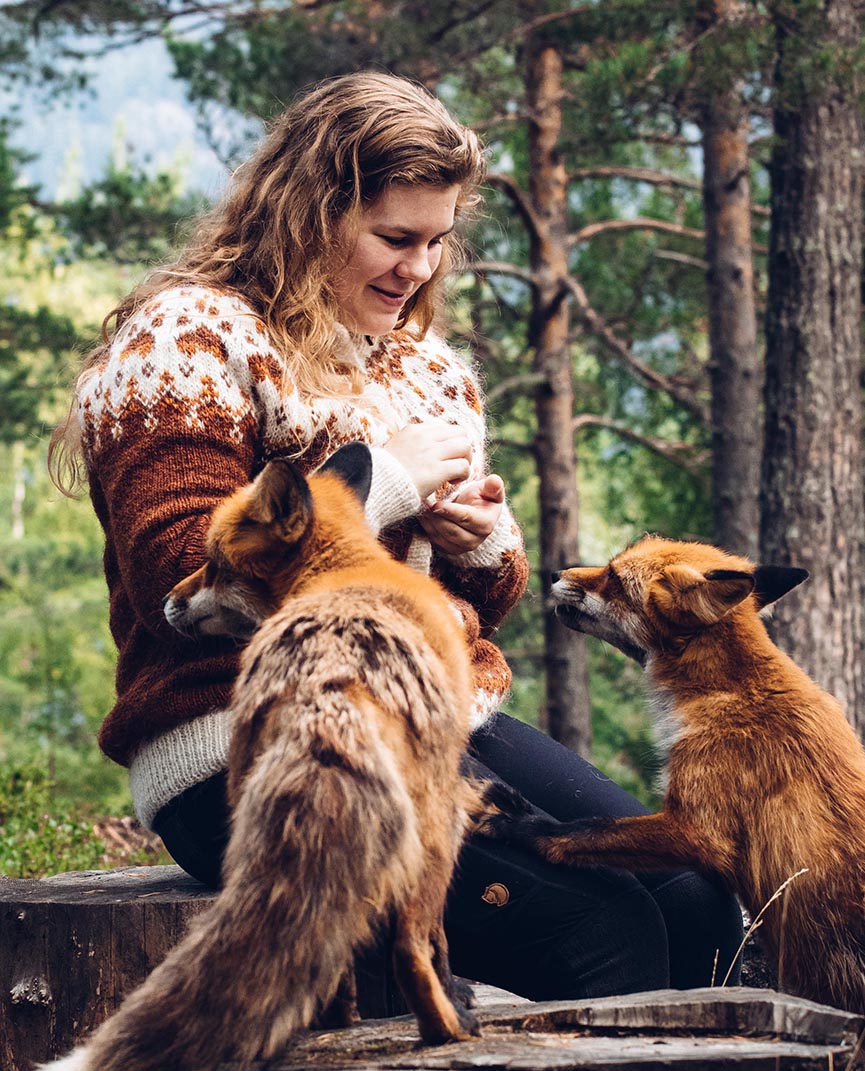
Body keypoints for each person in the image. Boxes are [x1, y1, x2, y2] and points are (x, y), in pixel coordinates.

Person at [50, 71, 742, 1004]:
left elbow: (472, 598)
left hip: (438, 712)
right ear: (307, 213)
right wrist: (386, 477)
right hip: (245, 740)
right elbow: (182, 577)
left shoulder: (426, 370)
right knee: (600, 929)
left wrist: (479, 539)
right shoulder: (182, 339)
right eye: (393, 237)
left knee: (695, 894)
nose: (418, 268)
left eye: (436, 241)